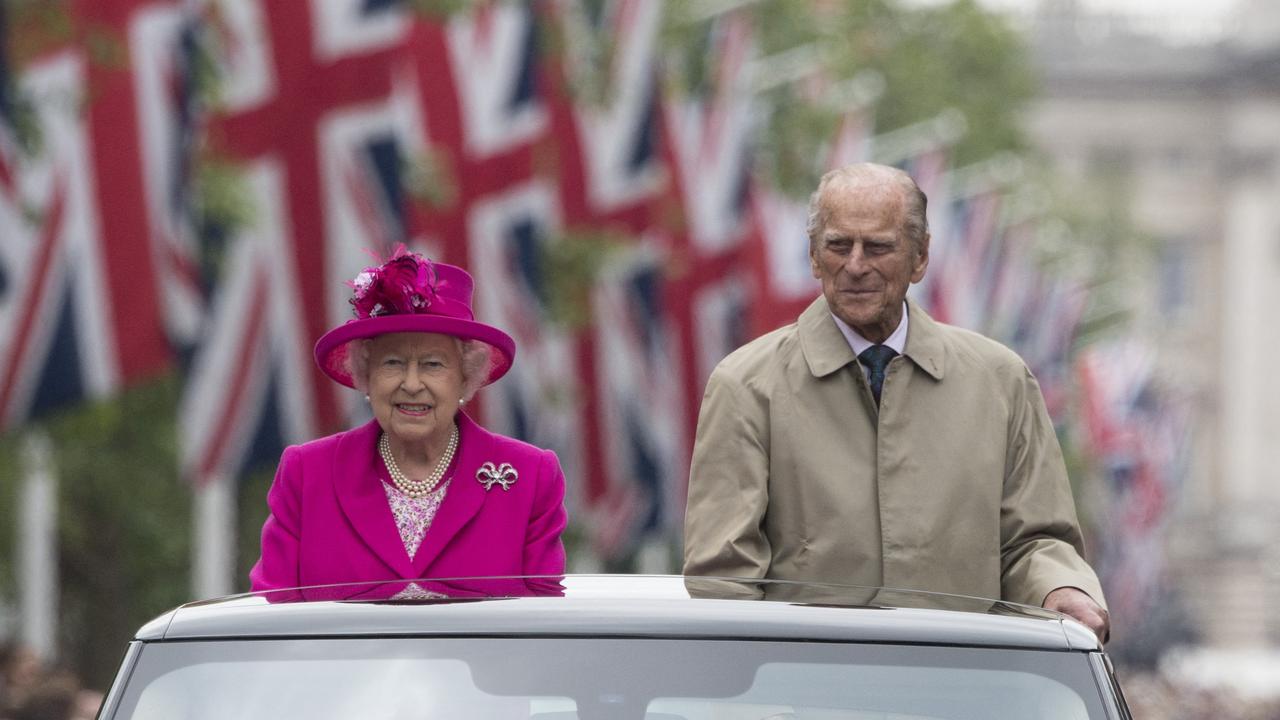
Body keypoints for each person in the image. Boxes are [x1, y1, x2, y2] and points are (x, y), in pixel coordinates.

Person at [682, 163, 1109, 641]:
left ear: (921, 257)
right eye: (838, 246)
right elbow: (724, 580)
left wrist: (1062, 590)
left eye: (879, 247)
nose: (856, 265)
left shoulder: (1001, 381)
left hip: (961, 689)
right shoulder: (745, 385)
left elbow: (1037, 542)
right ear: (813, 256)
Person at [250, 246, 567, 592]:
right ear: (366, 375)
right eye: (393, 363)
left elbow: (545, 625)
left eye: (433, 364)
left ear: (465, 376)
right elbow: (269, 621)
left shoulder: (530, 477)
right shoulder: (306, 474)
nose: (412, 384)